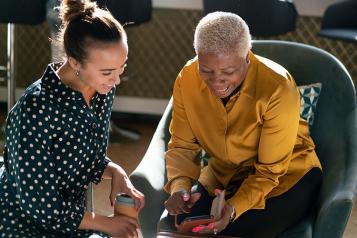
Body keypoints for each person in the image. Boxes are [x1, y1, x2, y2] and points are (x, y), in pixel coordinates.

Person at [162, 12, 322, 238]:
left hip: (286, 177)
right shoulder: (186, 78)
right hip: (225, 175)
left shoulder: (278, 87)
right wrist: (180, 187)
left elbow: (269, 171)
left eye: (228, 71)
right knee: (179, 224)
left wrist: (233, 208)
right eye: (206, 70)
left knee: (233, 231)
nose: (217, 81)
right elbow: (181, 145)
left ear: (247, 57)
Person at [0, 0, 145, 237]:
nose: (116, 80)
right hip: (24, 226)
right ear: (75, 62)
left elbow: (88, 158)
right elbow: (41, 208)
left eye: (122, 68)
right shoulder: (35, 111)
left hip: (74, 222)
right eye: (108, 72)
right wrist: (105, 223)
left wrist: (116, 172)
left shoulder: (100, 89)